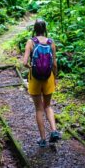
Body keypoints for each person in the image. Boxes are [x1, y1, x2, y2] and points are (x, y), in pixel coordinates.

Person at [23, 19, 60, 147]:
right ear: (45, 29)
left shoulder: (30, 42)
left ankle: (43, 139)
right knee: (48, 106)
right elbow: (54, 64)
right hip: (48, 77)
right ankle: (54, 131)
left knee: (39, 108)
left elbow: (24, 62)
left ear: (34, 28)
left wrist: (31, 67)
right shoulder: (51, 42)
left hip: (35, 78)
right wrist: (54, 77)